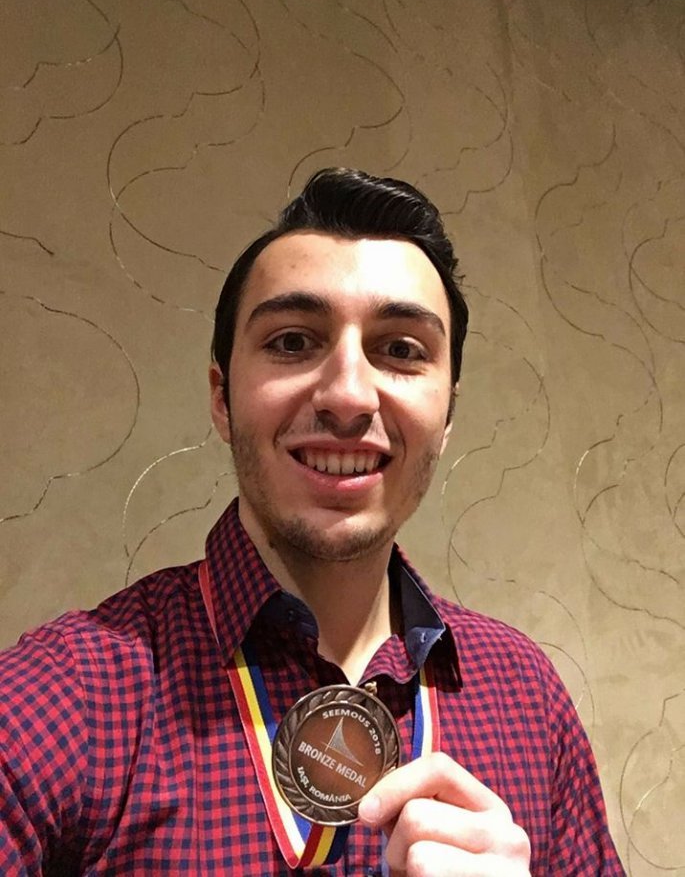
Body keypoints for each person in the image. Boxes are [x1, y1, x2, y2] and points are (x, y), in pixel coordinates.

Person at [0, 168, 624, 875]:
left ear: (447, 414)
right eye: (294, 342)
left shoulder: (527, 698)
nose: (349, 396)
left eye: (400, 349)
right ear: (222, 397)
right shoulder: (69, 697)